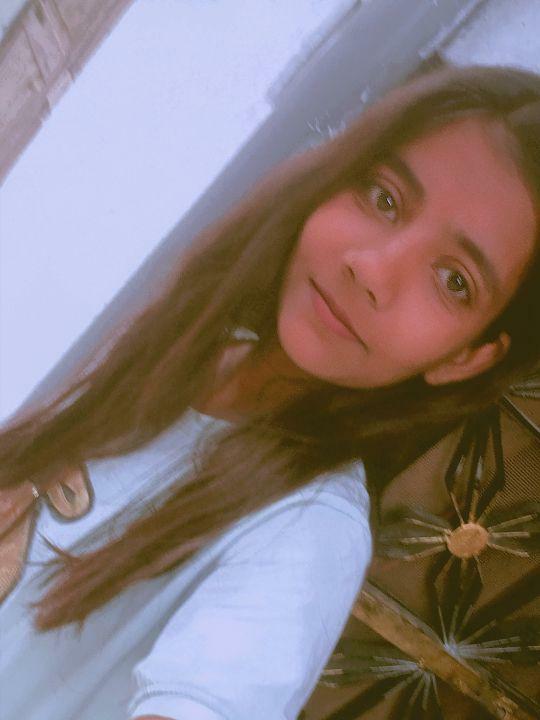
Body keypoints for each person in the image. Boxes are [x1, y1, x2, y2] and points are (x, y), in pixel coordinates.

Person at [1, 62, 540, 720]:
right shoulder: (193, 338)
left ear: (466, 357)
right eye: (384, 197)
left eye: (454, 281)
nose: (372, 270)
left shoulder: (311, 529)